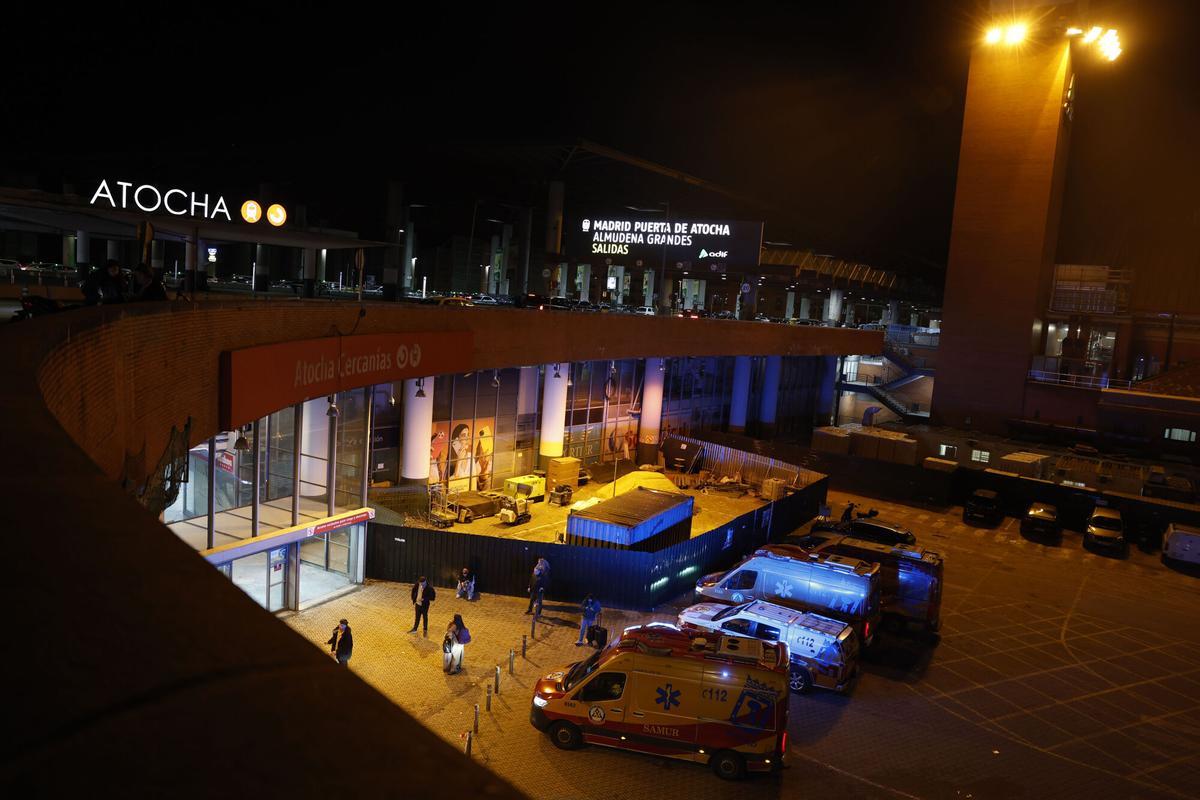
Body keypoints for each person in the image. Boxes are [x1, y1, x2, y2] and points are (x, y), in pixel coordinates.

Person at [474, 425, 493, 491]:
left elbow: (486, 489)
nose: (483, 451)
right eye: (481, 447)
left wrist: (484, 473)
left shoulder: (491, 464)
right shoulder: (474, 464)